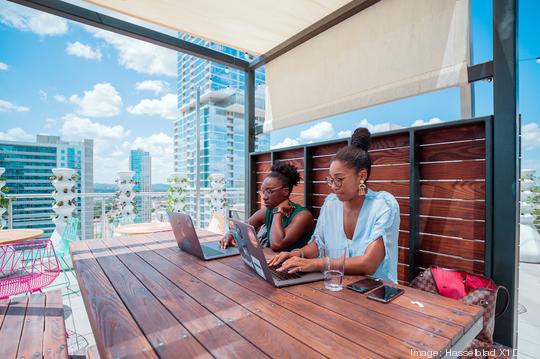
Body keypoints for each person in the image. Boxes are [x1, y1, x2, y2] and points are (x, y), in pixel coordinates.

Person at [268, 127, 400, 283]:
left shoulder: (384, 206)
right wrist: (296, 254)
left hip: (374, 293)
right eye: (330, 179)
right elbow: (319, 244)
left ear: (362, 176)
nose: (333, 186)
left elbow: (368, 264)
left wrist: (315, 264)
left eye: (339, 179)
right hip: (336, 288)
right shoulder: (331, 203)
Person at [220, 162, 314, 252]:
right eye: (263, 192)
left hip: (295, 266)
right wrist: (230, 235)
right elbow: (242, 228)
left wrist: (278, 211)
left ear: (285, 191)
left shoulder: (302, 216)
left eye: (269, 191)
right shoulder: (266, 212)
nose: (264, 197)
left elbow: (277, 244)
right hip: (272, 262)